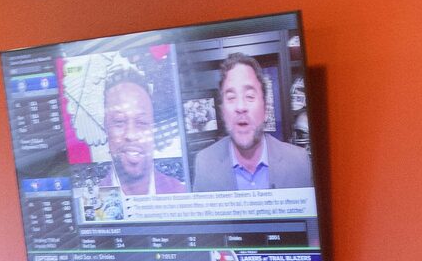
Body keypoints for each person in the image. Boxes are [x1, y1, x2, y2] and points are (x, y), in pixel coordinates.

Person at [190, 56, 313, 191]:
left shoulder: (298, 161)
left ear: (265, 108)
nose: (240, 106)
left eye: (249, 96)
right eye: (231, 97)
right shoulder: (204, 163)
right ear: (222, 112)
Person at [97, 66, 185, 199]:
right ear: (105, 126)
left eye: (142, 122)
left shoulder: (180, 193)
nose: (131, 135)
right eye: (119, 121)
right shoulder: (91, 201)